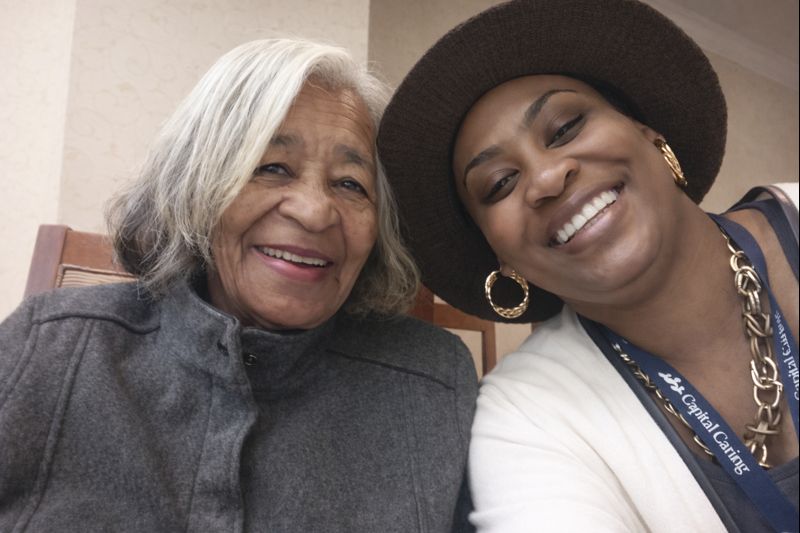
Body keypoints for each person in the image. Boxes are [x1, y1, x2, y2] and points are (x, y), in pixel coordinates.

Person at [0, 39, 478, 532]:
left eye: (350, 183)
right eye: (272, 168)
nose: (314, 212)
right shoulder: (51, 348)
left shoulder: (431, 383)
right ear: (196, 185)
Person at [377, 0, 798, 531]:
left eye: (566, 127)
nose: (548, 179)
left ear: (652, 137)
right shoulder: (524, 417)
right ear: (502, 258)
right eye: (499, 184)